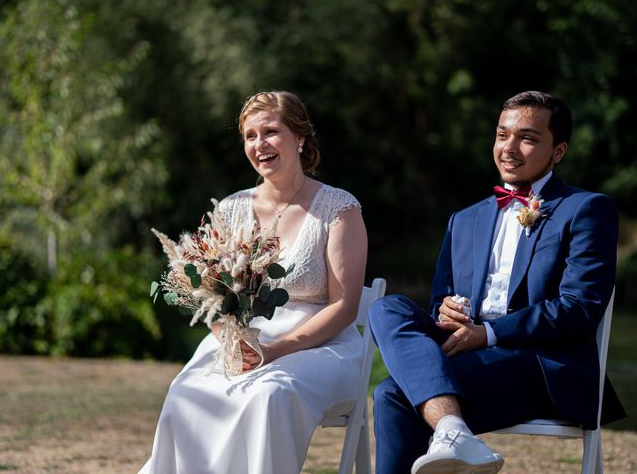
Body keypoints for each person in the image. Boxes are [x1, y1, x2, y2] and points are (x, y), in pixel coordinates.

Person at [369, 91, 625, 474]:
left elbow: (579, 309)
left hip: (540, 366)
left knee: (393, 393)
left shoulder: (586, 209)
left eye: (528, 138)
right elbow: (441, 297)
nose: (509, 147)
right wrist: (446, 310)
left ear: (558, 151)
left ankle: (451, 431)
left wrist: (487, 333)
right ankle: (453, 429)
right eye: (502, 135)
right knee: (386, 307)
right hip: (469, 354)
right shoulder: (464, 219)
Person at [139, 91, 368, 473]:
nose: (259, 144)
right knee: (185, 393)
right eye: (250, 135)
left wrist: (275, 351)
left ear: (300, 138)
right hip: (241, 342)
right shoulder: (230, 208)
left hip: (322, 347)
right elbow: (208, 293)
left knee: (267, 395)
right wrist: (232, 342)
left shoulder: (339, 209)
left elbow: (343, 307)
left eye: (271, 132)